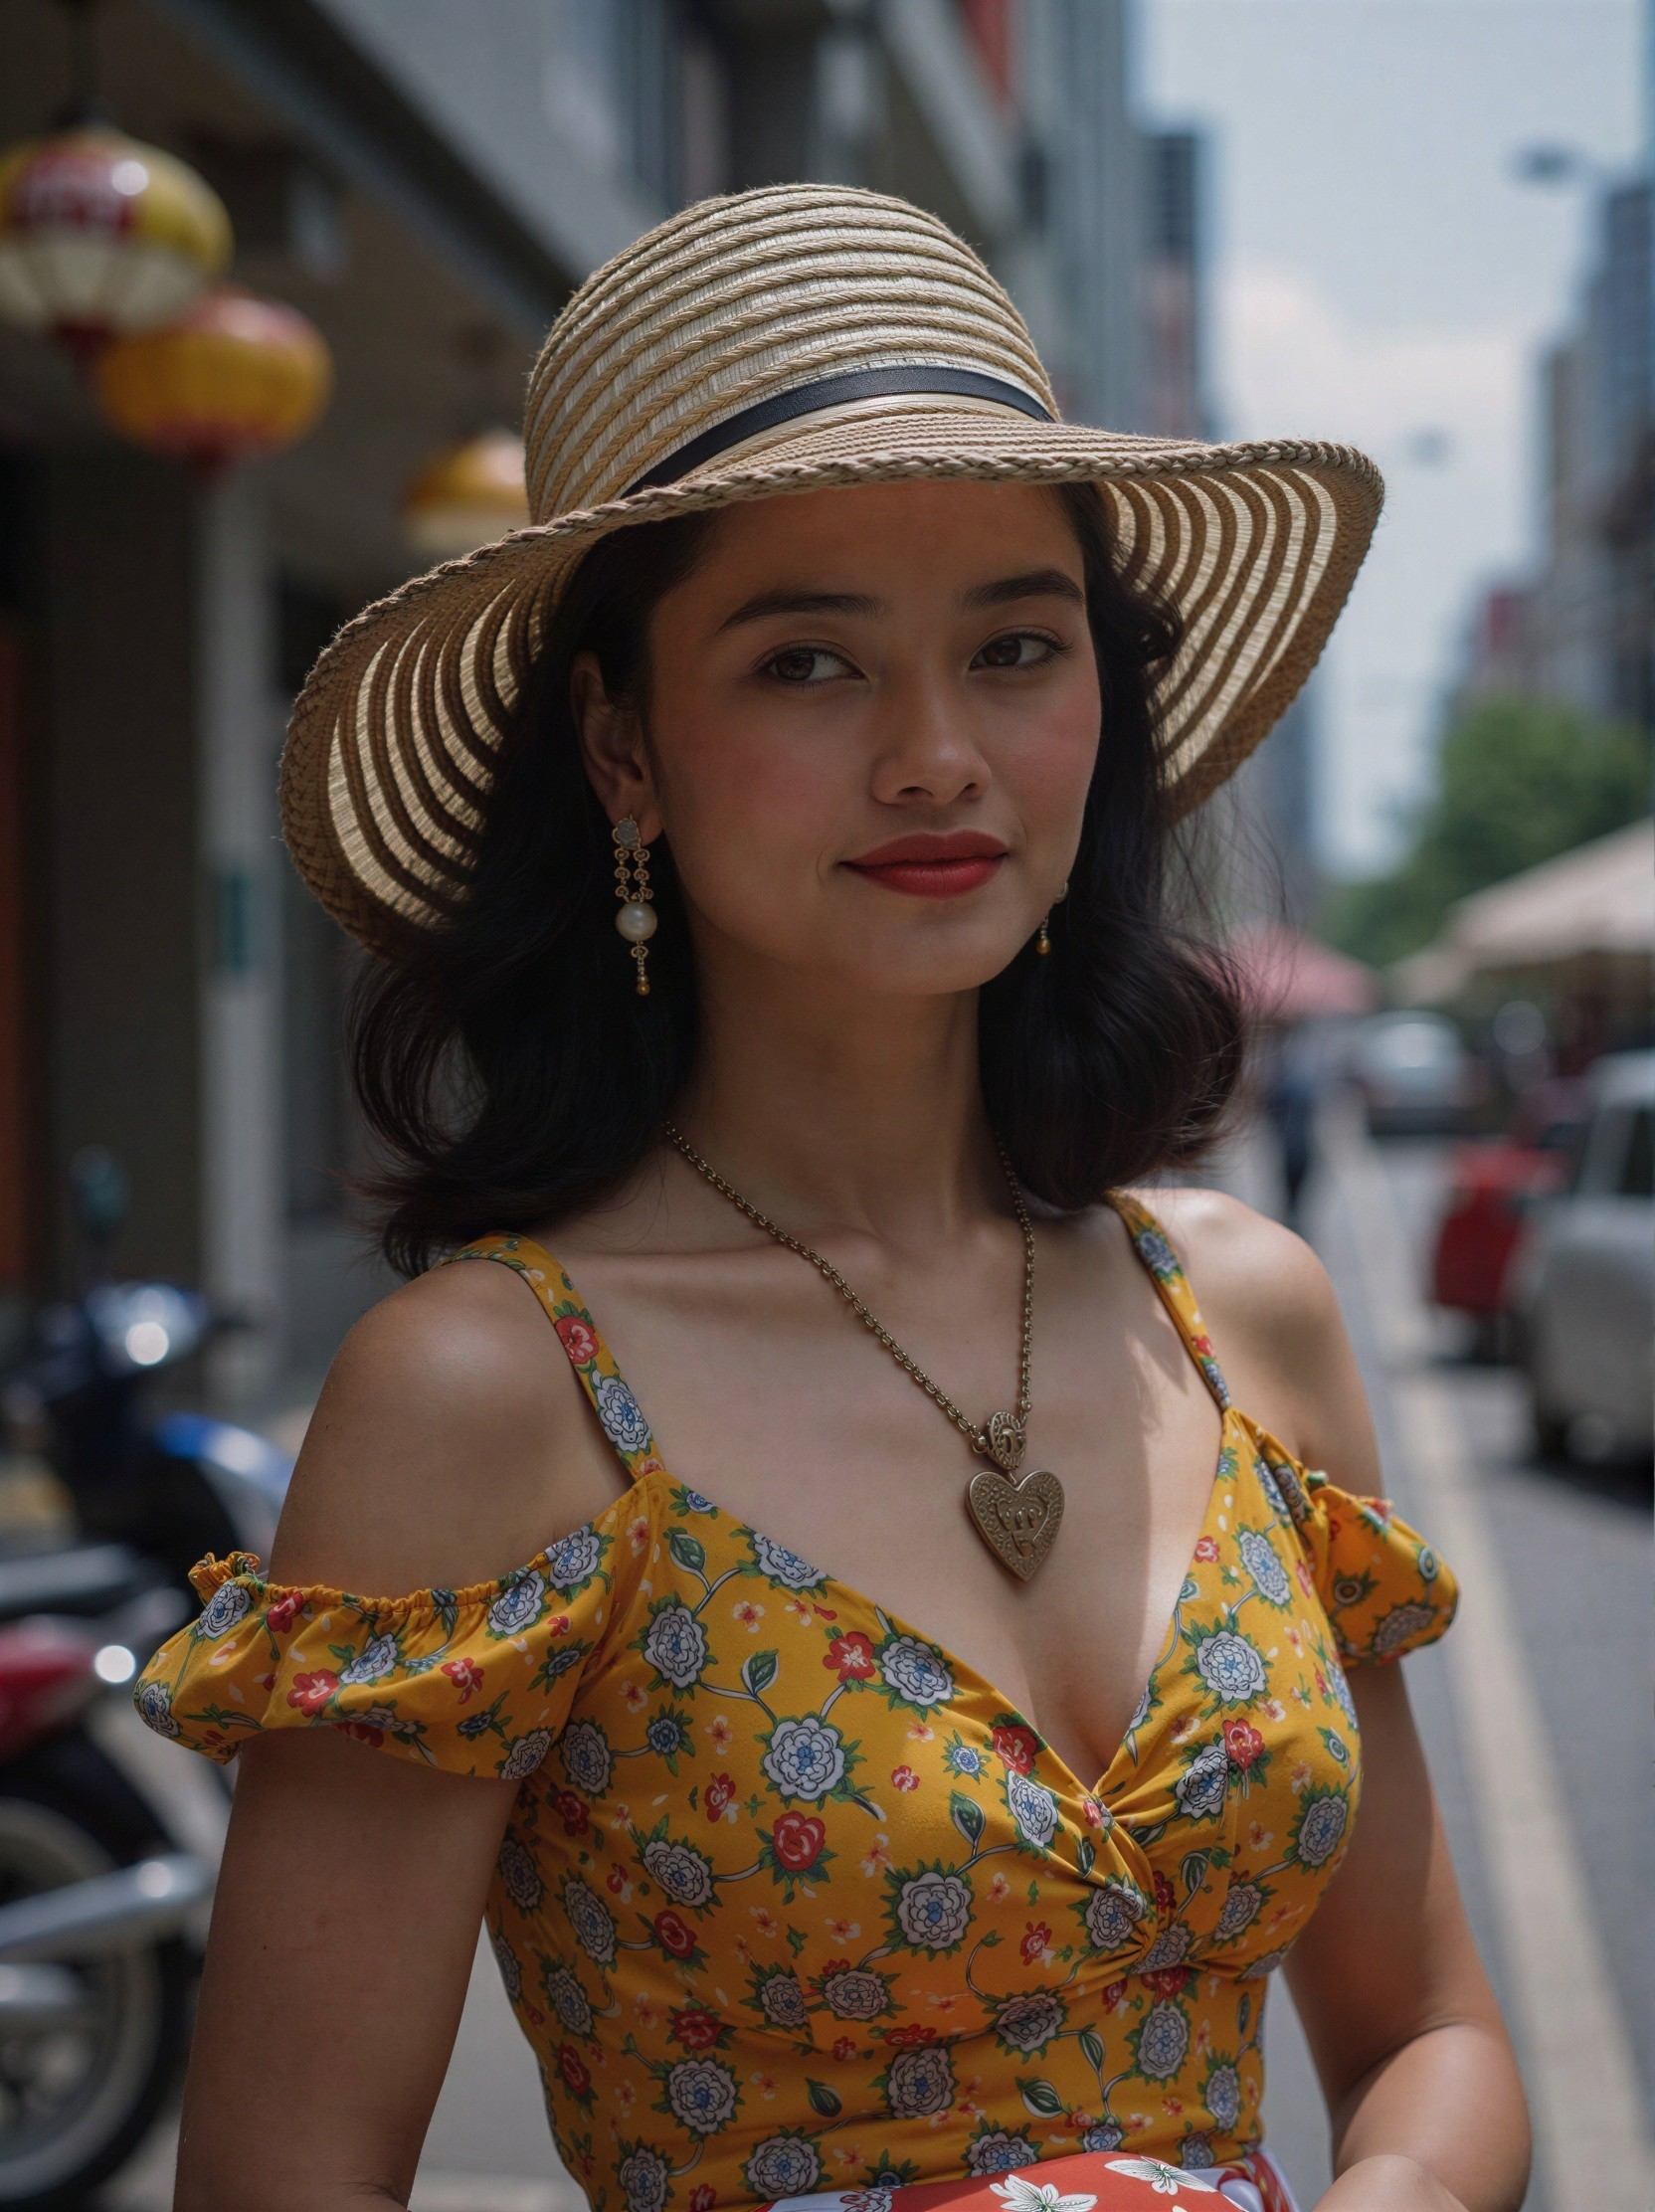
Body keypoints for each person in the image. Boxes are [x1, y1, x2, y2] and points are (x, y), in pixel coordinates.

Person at [137, 188, 1528, 2212]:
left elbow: (1425, 2034)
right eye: (807, 661)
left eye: (1015, 647)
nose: (937, 755)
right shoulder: (491, 1393)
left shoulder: (1245, 1314)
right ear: (623, 745)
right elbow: (283, 2179)